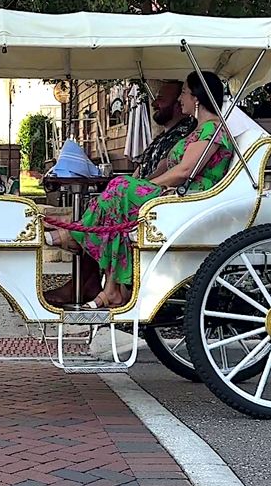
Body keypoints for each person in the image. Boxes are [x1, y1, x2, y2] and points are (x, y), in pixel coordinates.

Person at [45, 70, 236, 308]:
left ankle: (77, 236)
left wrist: (146, 187)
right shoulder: (197, 130)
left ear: (197, 98)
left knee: (120, 188)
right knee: (119, 193)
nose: (180, 99)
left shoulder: (213, 129)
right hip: (177, 195)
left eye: (185, 93)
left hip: (190, 199)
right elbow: (165, 165)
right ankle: (112, 288)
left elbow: (184, 171)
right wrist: (142, 180)